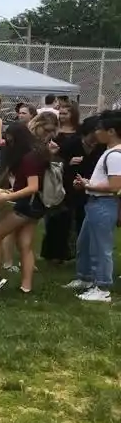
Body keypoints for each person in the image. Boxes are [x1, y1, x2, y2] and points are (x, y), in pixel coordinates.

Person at [0, 122, 49, 296]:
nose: (6, 141)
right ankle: (26, 287)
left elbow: (33, 186)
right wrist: (9, 191)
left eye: (9, 137)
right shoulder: (35, 154)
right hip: (36, 206)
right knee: (25, 245)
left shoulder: (28, 158)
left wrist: (7, 197)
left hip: (26, 206)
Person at [64, 111, 121, 303]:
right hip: (94, 202)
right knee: (85, 243)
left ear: (111, 132)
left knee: (100, 247)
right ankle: (85, 277)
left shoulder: (115, 155)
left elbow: (115, 186)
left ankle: (102, 287)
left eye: (100, 129)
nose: (96, 133)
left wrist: (89, 185)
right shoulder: (109, 152)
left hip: (103, 205)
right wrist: (88, 182)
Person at [41, 101, 82, 263]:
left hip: (71, 176)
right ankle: (51, 252)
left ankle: (66, 252)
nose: (63, 116)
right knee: (53, 212)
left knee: (68, 215)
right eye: (61, 113)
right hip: (55, 174)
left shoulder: (79, 132)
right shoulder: (55, 132)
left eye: (66, 113)